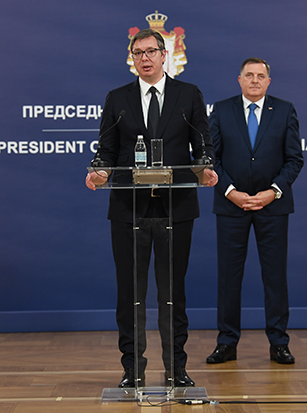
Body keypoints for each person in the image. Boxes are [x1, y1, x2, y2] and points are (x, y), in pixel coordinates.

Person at [85, 28, 217, 388]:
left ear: (164, 55)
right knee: (130, 294)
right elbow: (106, 150)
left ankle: (176, 369)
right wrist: (100, 171)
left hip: (176, 208)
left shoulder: (188, 94)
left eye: (150, 51)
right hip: (129, 210)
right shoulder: (118, 98)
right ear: (132, 59)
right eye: (138, 53)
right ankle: (132, 370)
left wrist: (205, 167)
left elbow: (203, 145)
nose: (144, 58)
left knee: (173, 293)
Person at [206, 58, 303, 365]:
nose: (255, 80)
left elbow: (294, 160)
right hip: (230, 205)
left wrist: (271, 192)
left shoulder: (284, 110)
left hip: (272, 206)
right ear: (239, 80)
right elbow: (211, 158)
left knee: (275, 277)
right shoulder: (222, 110)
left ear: (268, 82)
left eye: (261, 76)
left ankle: (279, 343)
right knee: (228, 277)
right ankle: (226, 342)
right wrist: (231, 192)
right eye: (249, 75)